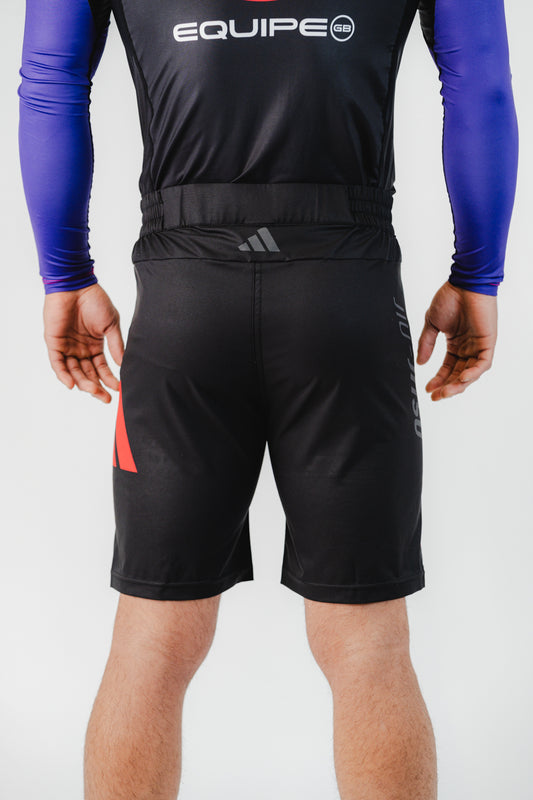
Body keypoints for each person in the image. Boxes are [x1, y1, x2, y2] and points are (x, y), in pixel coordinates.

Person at [18, 0, 518, 798]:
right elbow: (480, 83)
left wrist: (65, 273)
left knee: (150, 639)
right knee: (368, 644)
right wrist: (477, 274)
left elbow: (49, 82)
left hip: (183, 297)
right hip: (345, 291)